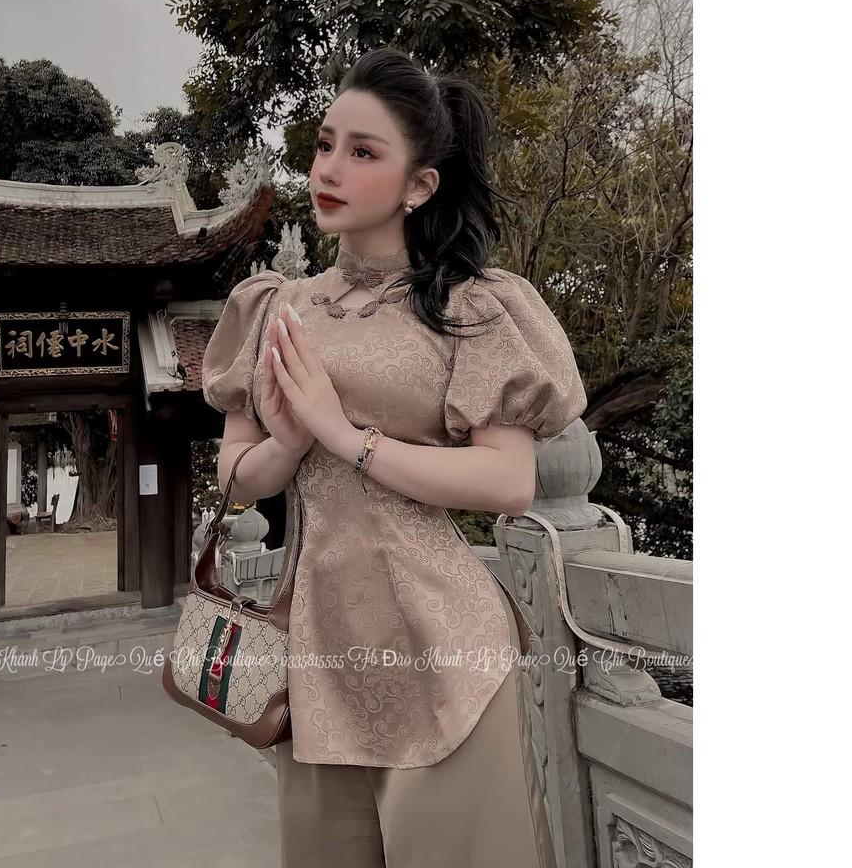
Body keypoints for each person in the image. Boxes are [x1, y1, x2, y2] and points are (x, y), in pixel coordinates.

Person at [201, 48, 587, 868]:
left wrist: (345, 437)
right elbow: (233, 479)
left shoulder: (473, 307)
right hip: (315, 659)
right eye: (324, 145)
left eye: (363, 152)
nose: (329, 169)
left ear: (420, 185)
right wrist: (290, 443)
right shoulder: (273, 309)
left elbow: (508, 481)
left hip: (447, 653)